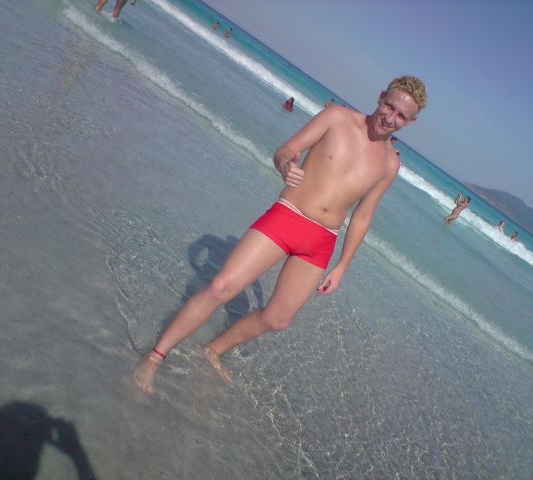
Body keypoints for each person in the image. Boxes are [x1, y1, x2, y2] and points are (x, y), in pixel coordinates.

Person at [132, 75, 427, 395]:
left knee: (277, 319)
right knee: (221, 287)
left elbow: (363, 216)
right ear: (381, 96)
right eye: (389, 106)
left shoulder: (389, 165)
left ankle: (212, 350)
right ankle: (156, 356)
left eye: (401, 116)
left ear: (410, 122)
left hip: (321, 242)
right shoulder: (337, 118)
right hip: (288, 217)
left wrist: (342, 266)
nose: (390, 117)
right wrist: (285, 165)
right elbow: (286, 150)